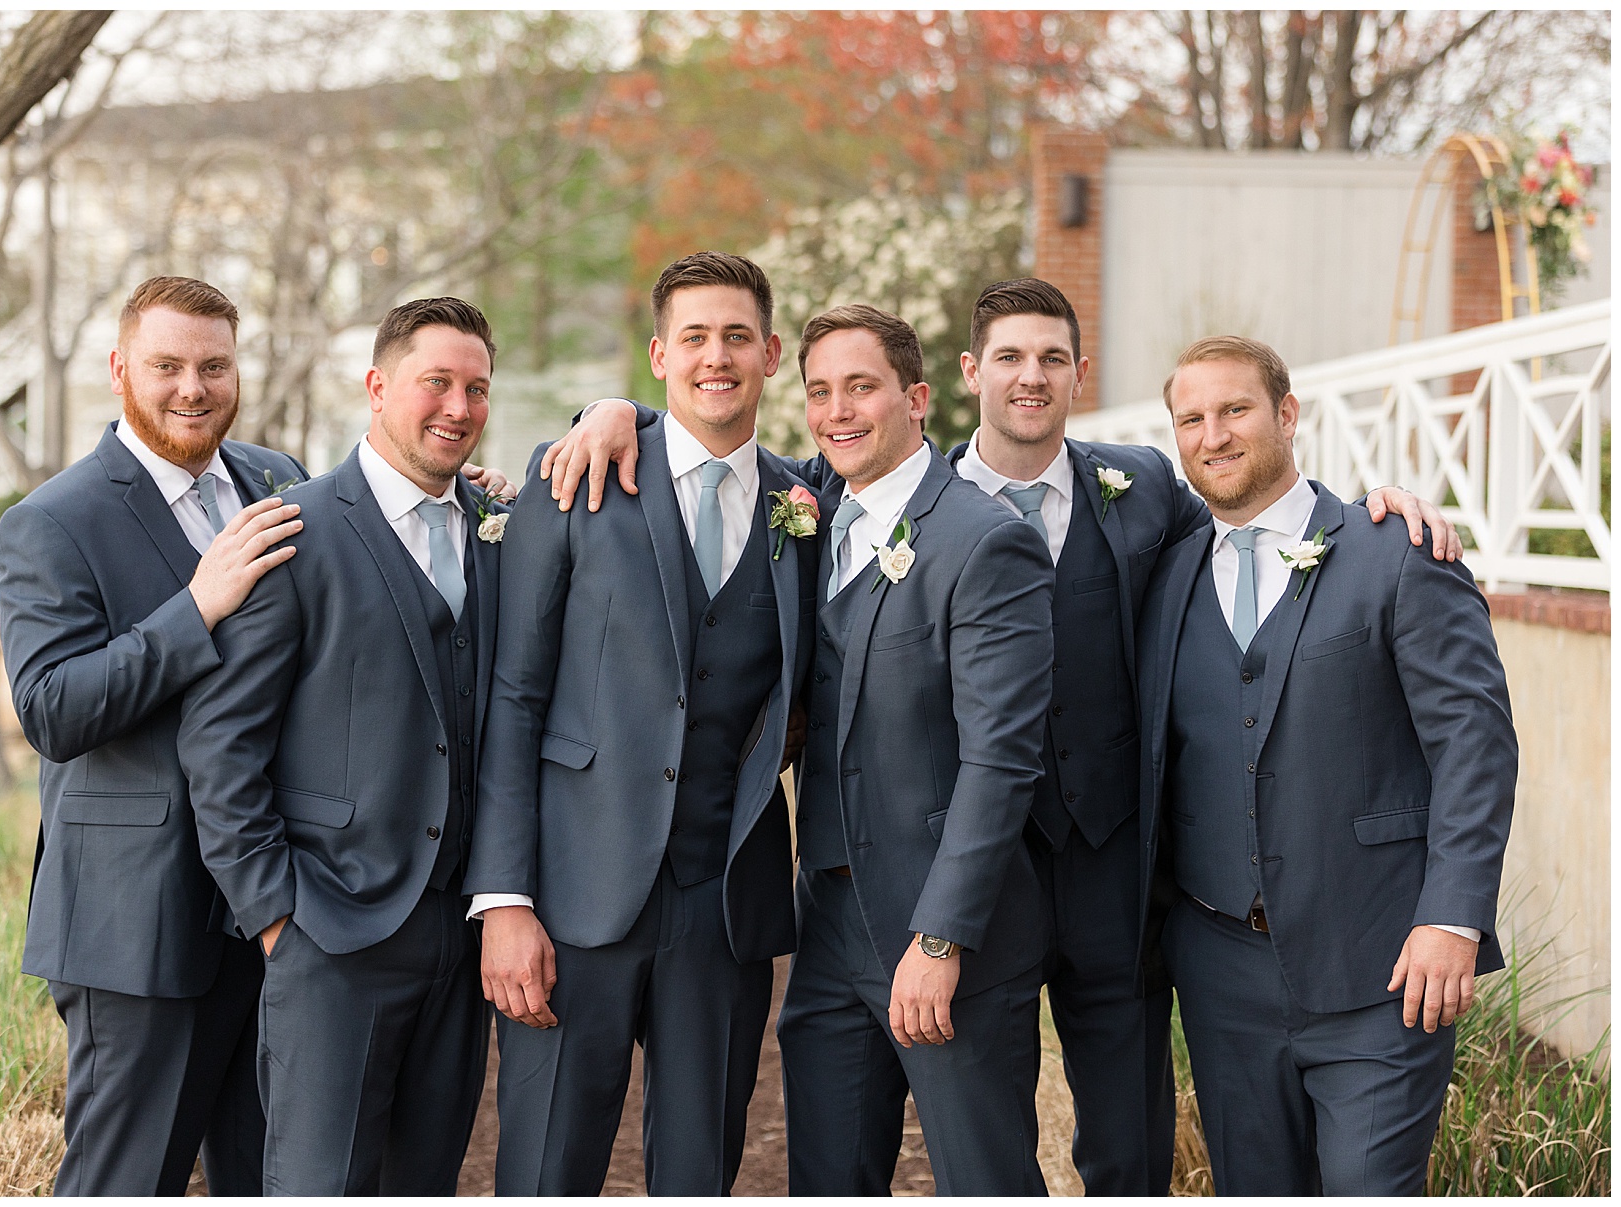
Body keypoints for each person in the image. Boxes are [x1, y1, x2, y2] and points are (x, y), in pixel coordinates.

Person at [548, 276, 1463, 1195]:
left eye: (1052, 358)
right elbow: (717, 442)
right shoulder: (826, 496)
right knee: (885, 1154)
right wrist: (614, 409)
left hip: (1105, 872)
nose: (1031, 377)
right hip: (923, 877)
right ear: (967, 375)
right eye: (1012, 358)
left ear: (1075, 372)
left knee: (1122, 1152)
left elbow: (1255, 510)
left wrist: (1368, 518)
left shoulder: (1139, 486)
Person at [466, 251, 817, 1195]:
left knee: (700, 1170)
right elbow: (514, 694)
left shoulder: (806, 502)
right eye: (694, 337)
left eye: (737, 336)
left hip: (724, 899)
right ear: (658, 356)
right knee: (546, 1168)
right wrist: (503, 898)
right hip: (575, 892)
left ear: (771, 353)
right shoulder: (575, 475)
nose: (718, 356)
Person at [1139, 335, 1516, 1195]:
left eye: (1235, 409)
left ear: (1287, 414)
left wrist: (1452, 918)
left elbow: (1476, 745)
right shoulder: (1164, 580)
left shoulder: (1395, 551)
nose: (1214, 435)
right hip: (1220, 972)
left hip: (1383, 964)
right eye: (1190, 419)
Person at [176, 298, 505, 1195]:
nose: (458, 406)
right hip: (329, 932)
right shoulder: (293, 532)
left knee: (422, 1182)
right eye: (435, 382)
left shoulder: (497, 529)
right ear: (376, 386)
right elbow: (220, 745)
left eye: (476, 388)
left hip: (458, 933)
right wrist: (278, 913)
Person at [0, 275, 307, 1196]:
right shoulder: (53, 520)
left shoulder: (278, 478)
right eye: (167, 364)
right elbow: (51, 708)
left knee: (273, 1176)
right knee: (128, 1180)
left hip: (271, 906)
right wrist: (195, 609)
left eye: (214, 365)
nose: (192, 387)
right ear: (120, 366)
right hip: (136, 924)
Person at [769, 305, 1057, 1194]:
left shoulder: (985, 538)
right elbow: (711, 446)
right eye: (820, 392)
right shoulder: (812, 514)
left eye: (862, 387)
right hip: (828, 925)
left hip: (947, 935)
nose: (838, 411)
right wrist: (614, 412)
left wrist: (940, 937)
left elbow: (1002, 758)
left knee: (983, 1180)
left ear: (918, 397)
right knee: (827, 1178)